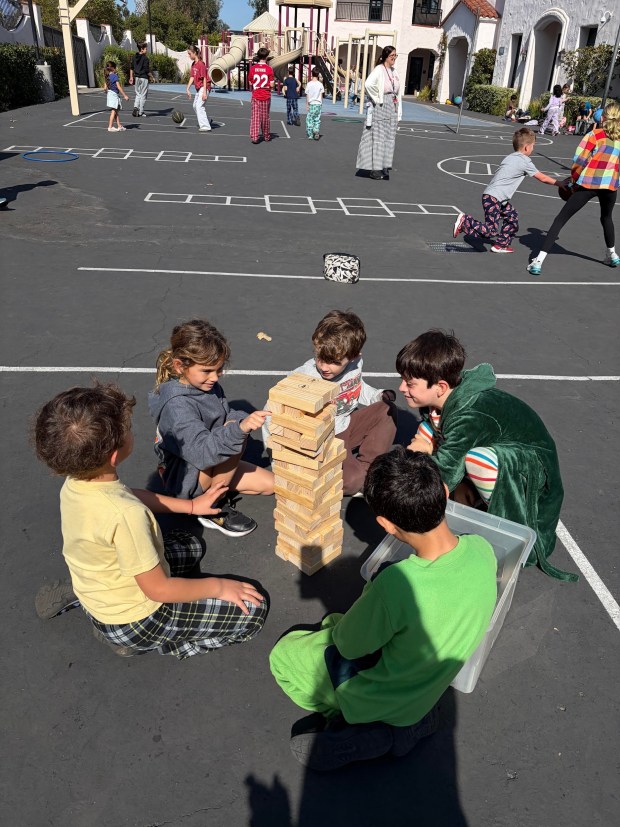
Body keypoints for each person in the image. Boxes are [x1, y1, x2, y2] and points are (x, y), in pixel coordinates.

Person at [269, 448, 497, 771]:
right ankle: (408, 723)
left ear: (386, 525)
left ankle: (364, 724)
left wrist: (372, 590)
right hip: (429, 687)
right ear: (444, 493)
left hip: (383, 693)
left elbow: (347, 644)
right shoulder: (482, 549)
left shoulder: (396, 585)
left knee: (284, 655)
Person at [34, 384, 268, 658]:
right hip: (136, 617)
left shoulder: (77, 481)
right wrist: (219, 586)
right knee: (253, 611)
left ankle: (83, 596)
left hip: (98, 579)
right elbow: (160, 590)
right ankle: (146, 642)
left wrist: (192, 506)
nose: (132, 431)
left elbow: (130, 495)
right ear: (114, 454)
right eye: (128, 429)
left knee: (190, 545)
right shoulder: (125, 516)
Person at [398, 330, 577, 582]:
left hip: (533, 476)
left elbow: (442, 479)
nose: (401, 388)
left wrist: (408, 508)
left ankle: (504, 536)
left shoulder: (470, 415)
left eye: (410, 383)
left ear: (440, 387)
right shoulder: (444, 400)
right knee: (428, 433)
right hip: (507, 453)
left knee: (475, 460)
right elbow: (433, 434)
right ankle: (473, 501)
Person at [148, 319, 274, 537]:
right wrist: (239, 429)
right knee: (238, 437)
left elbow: (227, 414)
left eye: (219, 369)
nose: (215, 377)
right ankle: (210, 508)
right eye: (207, 371)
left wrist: (236, 422)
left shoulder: (206, 383)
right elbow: (203, 454)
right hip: (186, 475)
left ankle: (217, 488)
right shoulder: (177, 406)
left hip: (211, 460)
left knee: (270, 485)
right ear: (180, 366)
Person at [262, 310, 397, 496]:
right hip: (324, 440)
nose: (324, 367)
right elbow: (272, 412)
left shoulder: (355, 364)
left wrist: (377, 396)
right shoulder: (303, 377)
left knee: (386, 410)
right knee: (352, 481)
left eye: (333, 362)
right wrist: (278, 459)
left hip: (346, 426)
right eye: (320, 358)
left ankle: (369, 470)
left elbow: (356, 386)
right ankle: (352, 476)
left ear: (354, 356)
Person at [527, 102, 620, 275]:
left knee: (561, 219)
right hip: (610, 186)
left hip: (589, 184)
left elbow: (579, 160)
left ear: (603, 117)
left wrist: (573, 181)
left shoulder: (594, 135)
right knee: (607, 218)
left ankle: (538, 261)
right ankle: (612, 254)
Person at [453, 127, 560, 253]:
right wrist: (560, 183)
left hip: (495, 198)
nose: (533, 149)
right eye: (533, 146)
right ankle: (465, 221)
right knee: (491, 230)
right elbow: (542, 178)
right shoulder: (525, 161)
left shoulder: (510, 157)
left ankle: (501, 245)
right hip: (494, 198)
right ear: (526, 147)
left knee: (512, 216)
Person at [355, 45, 403, 180]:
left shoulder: (394, 71)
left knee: (389, 138)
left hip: (392, 106)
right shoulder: (379, 69)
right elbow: (368, 84)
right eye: (392, 56)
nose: (394, 58)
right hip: (382, 106)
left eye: (395, 55)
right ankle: (375, 169)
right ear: (385, 56)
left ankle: (384, 166)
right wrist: (377, 98)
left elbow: (398, 93)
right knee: (379, 138)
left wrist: (398, 112)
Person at [248, 47, 274, 144]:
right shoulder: (269, 69)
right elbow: (271, 84)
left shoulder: (253, 68)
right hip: (266, 95)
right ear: (266, 57)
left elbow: (250, 82)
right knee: (265, 117)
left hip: (256, 95)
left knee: (255, 117)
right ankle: (266, 135)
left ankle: (254, 136)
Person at [186, 45, 211, 132]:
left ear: (195, 53)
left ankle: (205, 126)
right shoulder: (193, 64)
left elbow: (204, 78)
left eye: (189, 54)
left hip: (204, 87)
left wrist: (204, 92)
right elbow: (192, 77)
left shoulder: (201, 64)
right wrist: (187, 88)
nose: (188, 56)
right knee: (195, 106)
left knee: (199, 106)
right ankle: (207, 120)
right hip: (199, 88)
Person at [104, 61, 129, 132]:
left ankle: (119, 126)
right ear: (113, 68)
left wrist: (107, 91)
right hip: (114, 95)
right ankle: (110, 126)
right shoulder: (115, 76)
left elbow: (105, 88)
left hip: (110, 93)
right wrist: (125, 95)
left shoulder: (107, 76)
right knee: (113, 111)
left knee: (115, 111)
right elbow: (118, 86)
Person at [129, 41, 151, 118]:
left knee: (138, 94)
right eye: (145, 49)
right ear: (142, 49)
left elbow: (131, 68)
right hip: (143, 78)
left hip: (137, 78)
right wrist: (152, 76)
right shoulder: (145, 58)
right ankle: (141, 112)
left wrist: (131, 77)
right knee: (143, 95)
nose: (146, 50)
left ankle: (136, 107)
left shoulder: (134, 57)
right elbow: (146, 70)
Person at [305, 68, 325, 141]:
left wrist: (307, 104)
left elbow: (307, 95)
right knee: (317, 119)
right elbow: (321, 95)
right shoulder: (320, 84)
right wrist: (321, 103)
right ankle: (316, 130)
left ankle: (310, 135)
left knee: (309, 119)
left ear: (312, 73)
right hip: (318, 104)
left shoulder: (309, 84)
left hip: (311, 104)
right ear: (318, 75)